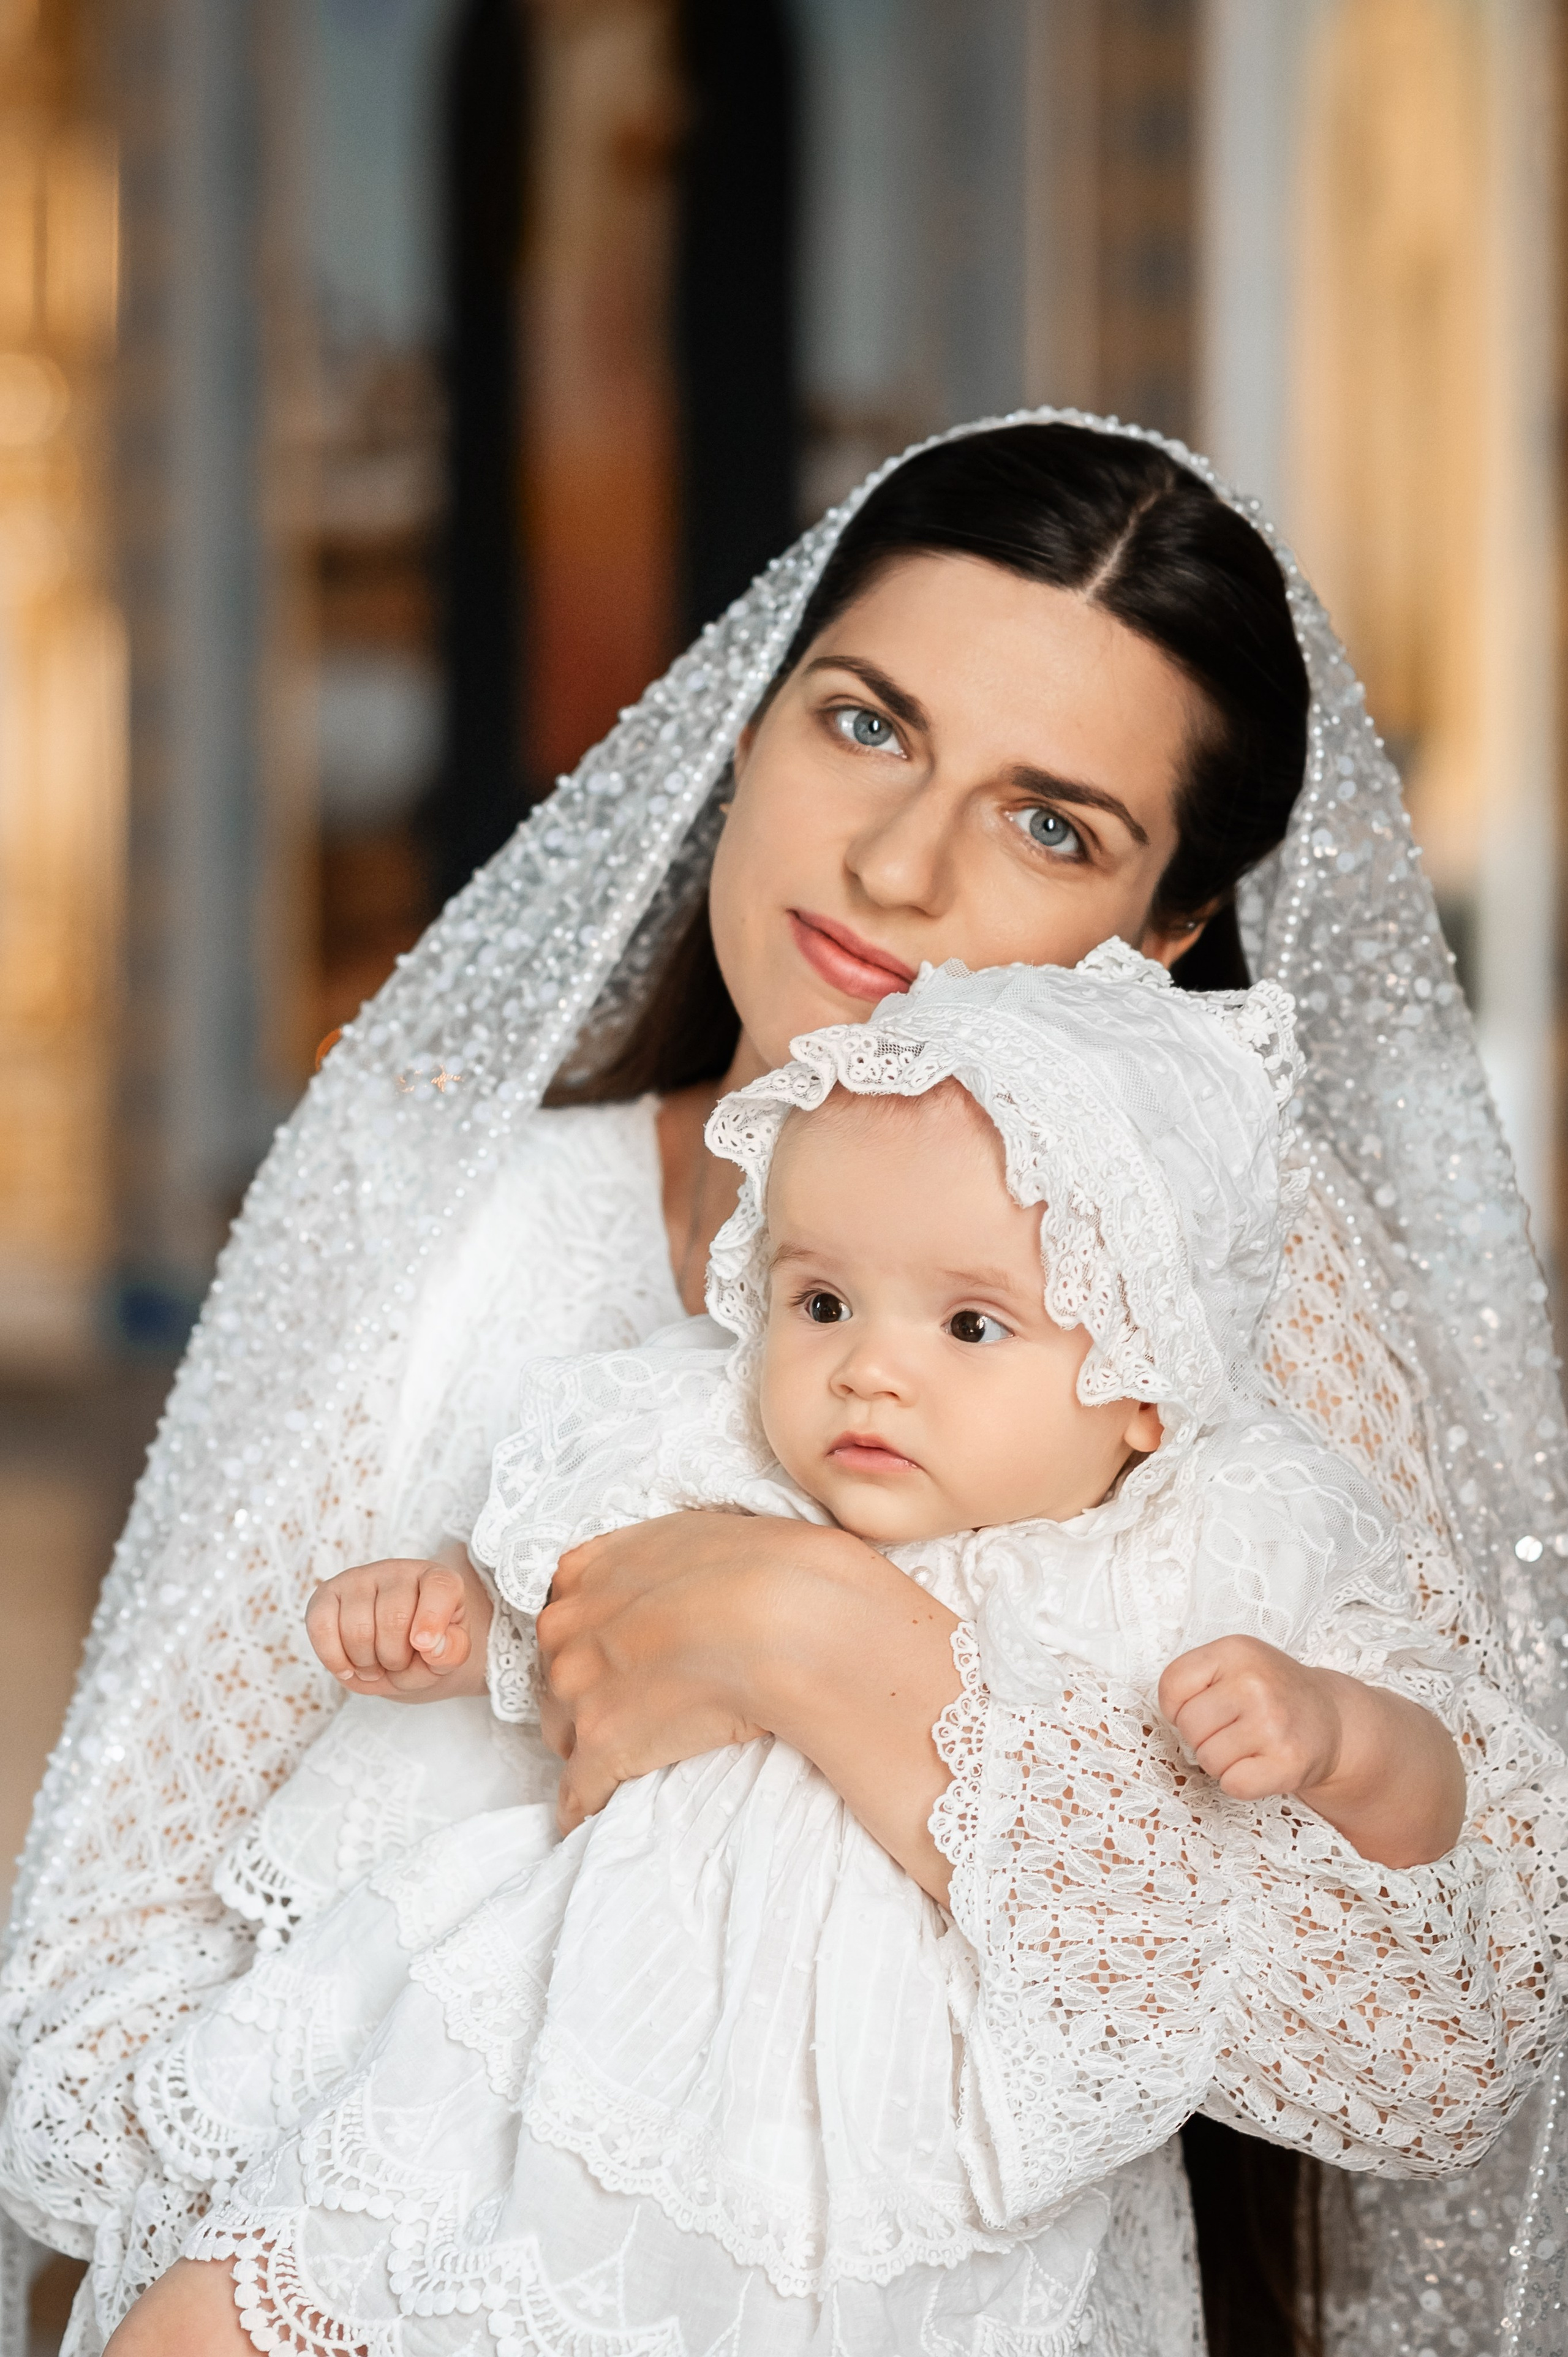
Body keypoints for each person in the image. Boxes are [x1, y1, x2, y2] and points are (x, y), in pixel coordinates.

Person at [2, 419, 1566, 2357]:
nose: (900, 867)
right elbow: (85, 1992)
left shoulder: (1232, 1297)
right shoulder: (444, 1206)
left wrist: (817, 1637)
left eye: (1051, 823)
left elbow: (1444, 2038)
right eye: (867, 725)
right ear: (750, 724)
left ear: (1160, 943)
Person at [110, 951, 1469, 2353]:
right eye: (821, 1302)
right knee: (222, 2310)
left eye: (967, 1322)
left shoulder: (1193, 1548)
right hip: (577, 2022)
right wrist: (451, 1618)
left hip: (885, 2144)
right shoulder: (728, 1448)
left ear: (1142, 1384)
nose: (866, 1368)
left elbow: (1426, 1813)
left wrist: (1332, 1733)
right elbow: (569, 1594)